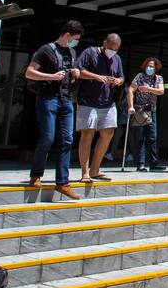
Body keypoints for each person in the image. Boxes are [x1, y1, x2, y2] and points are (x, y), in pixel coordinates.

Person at [24, 20, 84, 200]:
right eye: (75, 38)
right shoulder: (46, 50)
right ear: (67, 35)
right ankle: (36, 175)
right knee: (48, 138)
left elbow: (69, 78)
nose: (76, 42)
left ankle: (63, 182)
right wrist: (51, 76)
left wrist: (75, 75)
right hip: (47, 98)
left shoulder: (72, 52)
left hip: (66, 99)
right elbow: (29, 72)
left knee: (67, 139)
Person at [73, 33, 124, 182]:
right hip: (88, 101)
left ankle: (95, 169)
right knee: (87, 134)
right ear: (104, 43)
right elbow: (78, 71)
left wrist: (118, 81)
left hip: (108, 102)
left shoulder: (117, 59)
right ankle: (85, 172)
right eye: (110, 48)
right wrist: (96, 77)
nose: (112, 52)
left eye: (116, 49)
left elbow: (121, 77)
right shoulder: (90, 52)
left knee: (108, 133)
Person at [129, 57, 165, 171]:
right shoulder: (139, 76)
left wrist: (148, 89)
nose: (150, 68)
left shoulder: (158, 78)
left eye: (153, 66)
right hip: (140, 110)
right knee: (140, 137)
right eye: (149, 65)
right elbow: (130, 90)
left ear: (156, 68)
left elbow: (161, 91)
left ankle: (154, 163)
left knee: (153, 137)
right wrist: (130, 106)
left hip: (152, 110)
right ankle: (140, 163)